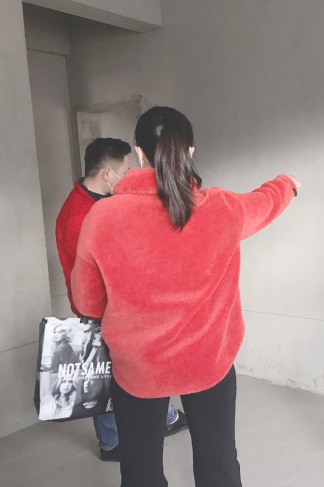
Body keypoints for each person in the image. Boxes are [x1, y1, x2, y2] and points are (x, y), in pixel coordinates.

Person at [71, 106, 300, 487]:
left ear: (138, 153)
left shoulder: (103, 217)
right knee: (219, 466)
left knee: (140, 472)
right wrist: (287, 183)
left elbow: (87, 304)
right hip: (208, 362)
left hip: (138, 369)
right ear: (190, 151)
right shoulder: (222, 208)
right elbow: (265, 202)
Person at [55, 138, 188, 462]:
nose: (130, 176)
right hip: (99, 308)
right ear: (106, 174)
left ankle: (165, 417)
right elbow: (97, 272)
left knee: (136, 364)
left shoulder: (100, 201)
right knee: (104, 374)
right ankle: (112, 442)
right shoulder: (79, 217)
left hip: (118, 304)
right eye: (125, 171)